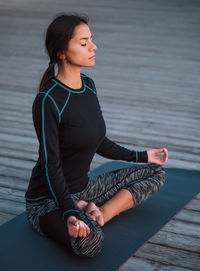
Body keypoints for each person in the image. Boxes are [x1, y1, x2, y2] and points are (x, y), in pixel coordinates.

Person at [25, 13, 168, 258]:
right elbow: (51, 165)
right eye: (83, 43)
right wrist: (70, 211)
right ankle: (82, 214)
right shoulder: (48, 100)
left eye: (91, 40)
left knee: (155, 172)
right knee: (88, 244)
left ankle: (100, 212)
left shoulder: (88, 86)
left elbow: (98, 140)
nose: (93, 47)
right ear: (61, 52)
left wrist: (142, 155)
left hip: (85, 188)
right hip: (47, 200)